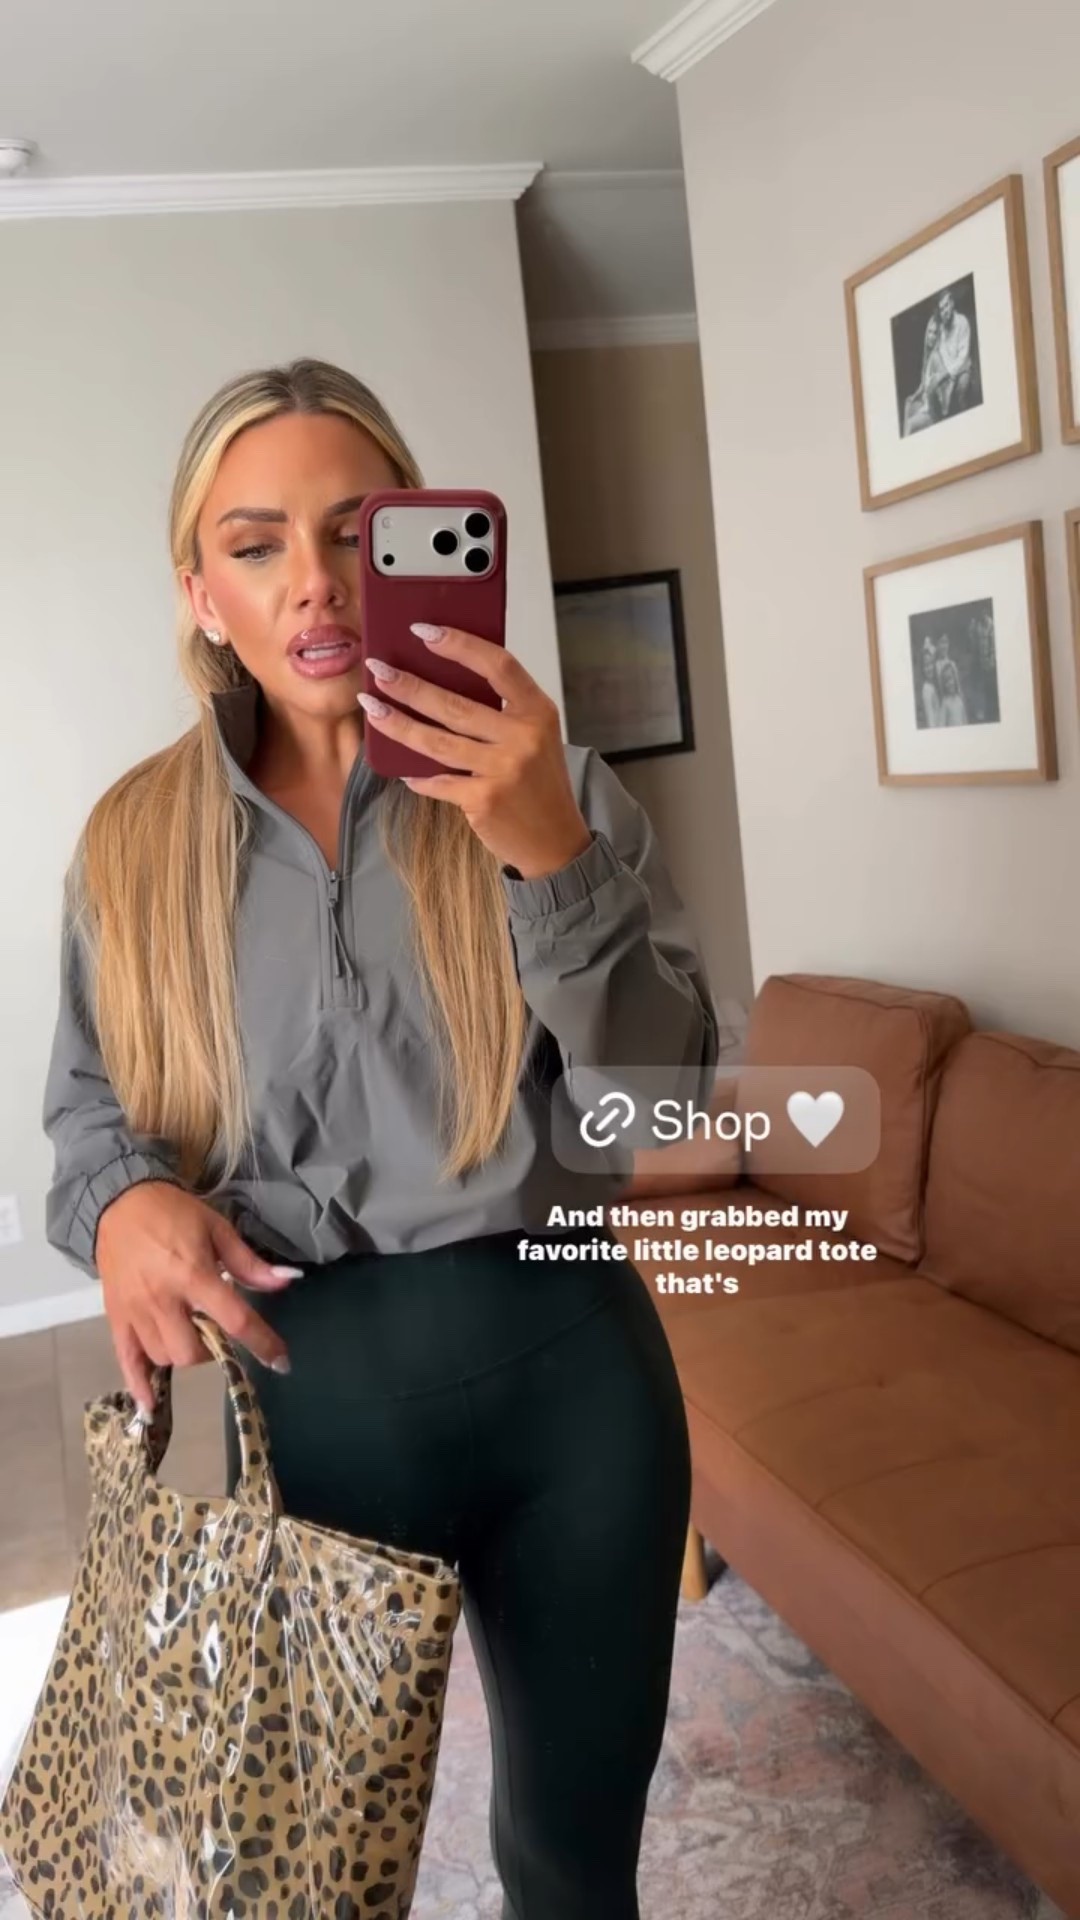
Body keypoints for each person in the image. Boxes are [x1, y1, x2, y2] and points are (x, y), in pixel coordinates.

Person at [41, 357, 720, 1919]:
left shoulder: (557, 791)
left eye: (359, 532)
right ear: (202, 595)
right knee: (295, 1882)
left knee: (571, 1865)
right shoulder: (130, 849)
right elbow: (85, 1111)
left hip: (578, 1394)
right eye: (258, 543)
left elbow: (661, 1111)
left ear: (421, 542)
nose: (319, 581)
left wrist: (547, 855)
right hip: (303, 1410)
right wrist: (123, 1205)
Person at [902, 312, 947, 436]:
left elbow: (944, 374)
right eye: (930, 332)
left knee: (910, 424)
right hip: (925, 404)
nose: (931, 336)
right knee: (908, 403)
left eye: (935, 333)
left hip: (932, 411)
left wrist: (936, 385)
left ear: (939, 336)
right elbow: (923, 384)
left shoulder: (936, 356)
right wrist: (914, 395)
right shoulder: (928, 356)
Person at [934, 287, 975, 418]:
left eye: (946, 306)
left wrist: (950, 376)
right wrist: (946, 378)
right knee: (936, 394)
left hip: (963, 370)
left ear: (952, 304)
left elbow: (963, 357)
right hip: (948, 371)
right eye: (941, 309)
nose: (944, 311)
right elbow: (942, 354)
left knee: (961, 390)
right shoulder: (942, 329)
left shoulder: (963, 322)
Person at [919, 635, 944, 728]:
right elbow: (930, 719)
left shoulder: (934, 685)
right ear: (922, 668)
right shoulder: (926, 690)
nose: (929, 668)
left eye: (931, 664)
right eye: (926, 666)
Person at [939, 657, 968, 726]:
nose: (949, 683)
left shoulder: (959, 698)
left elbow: (965, 720)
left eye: (950, 678)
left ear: (955, 678)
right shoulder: (945, 703)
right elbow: (941, 725)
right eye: (946, 681)